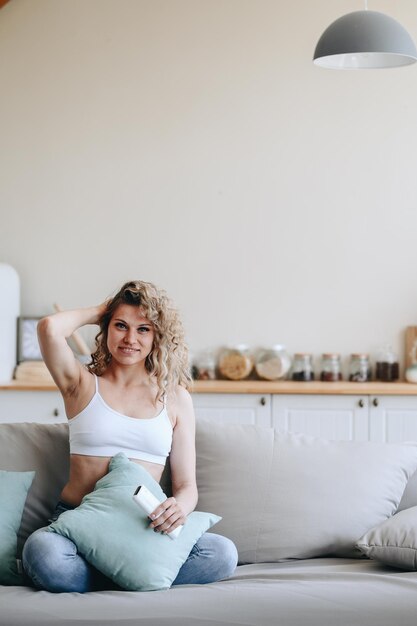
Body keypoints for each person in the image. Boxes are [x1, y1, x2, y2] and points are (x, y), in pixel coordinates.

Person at [22, 280, 238, 592]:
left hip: (144, 530)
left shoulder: (175, 398)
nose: (130, 338)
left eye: (143, 329)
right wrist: (102, 309)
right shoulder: (81, 385)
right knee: (42, 552)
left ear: (157, 337)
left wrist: (180, 507)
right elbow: (48, 328)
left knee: (221, 553)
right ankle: (136, 576)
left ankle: (112, 576)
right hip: (79, 525)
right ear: (106, 328)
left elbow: (186, 487)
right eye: (120, 326)